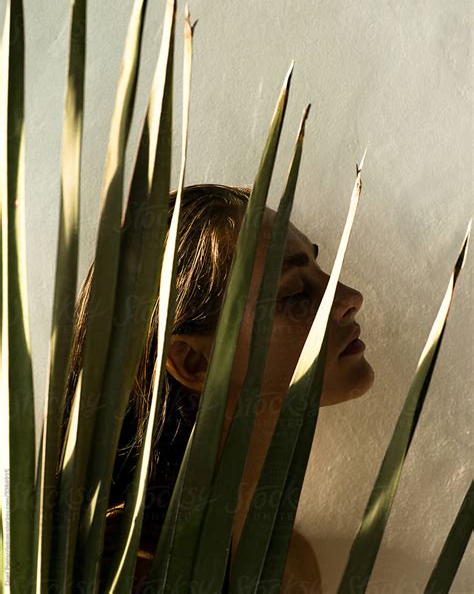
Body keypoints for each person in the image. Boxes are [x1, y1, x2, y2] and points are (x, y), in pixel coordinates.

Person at [59, 183, 375, 592]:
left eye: (320, 269)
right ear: (194, 361)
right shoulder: (128, 572)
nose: (350, 297)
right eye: (295, 292)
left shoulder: (288, 560)